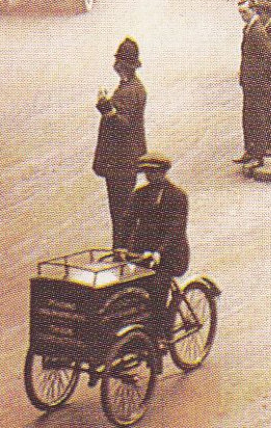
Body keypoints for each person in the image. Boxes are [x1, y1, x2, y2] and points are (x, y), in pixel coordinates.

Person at [117, 152, 189, 339]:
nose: (150, 176)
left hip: (170, 255)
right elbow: (127, 220)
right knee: (128, 289)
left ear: (164, 172)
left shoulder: (177, 196)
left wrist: (158, 251)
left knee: (157, 288)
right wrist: (121, 246)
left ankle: (160, 336)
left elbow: (176, 229)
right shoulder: (140, 194)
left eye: (154, 172)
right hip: (142, 253)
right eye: (147, 172)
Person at [94, 38, 148, 246]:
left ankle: (122, 250)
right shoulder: (134, 87)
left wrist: (105, 105)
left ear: (122, 66)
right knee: (122, 211)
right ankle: (122, 248)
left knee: (120, 212)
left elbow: (123, 123)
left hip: (120, 162)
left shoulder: (129, 90)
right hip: (127, 161)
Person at [234, 0, 271, 164]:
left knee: (257, 119)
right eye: (240, 13)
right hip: (249, 82)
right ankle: (250, 150)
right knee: (249, 118)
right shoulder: (249, 29)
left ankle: (258, 154)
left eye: (245, 12)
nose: (242, 16)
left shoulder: (257, 31)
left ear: (254, 11)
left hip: (257, 82)